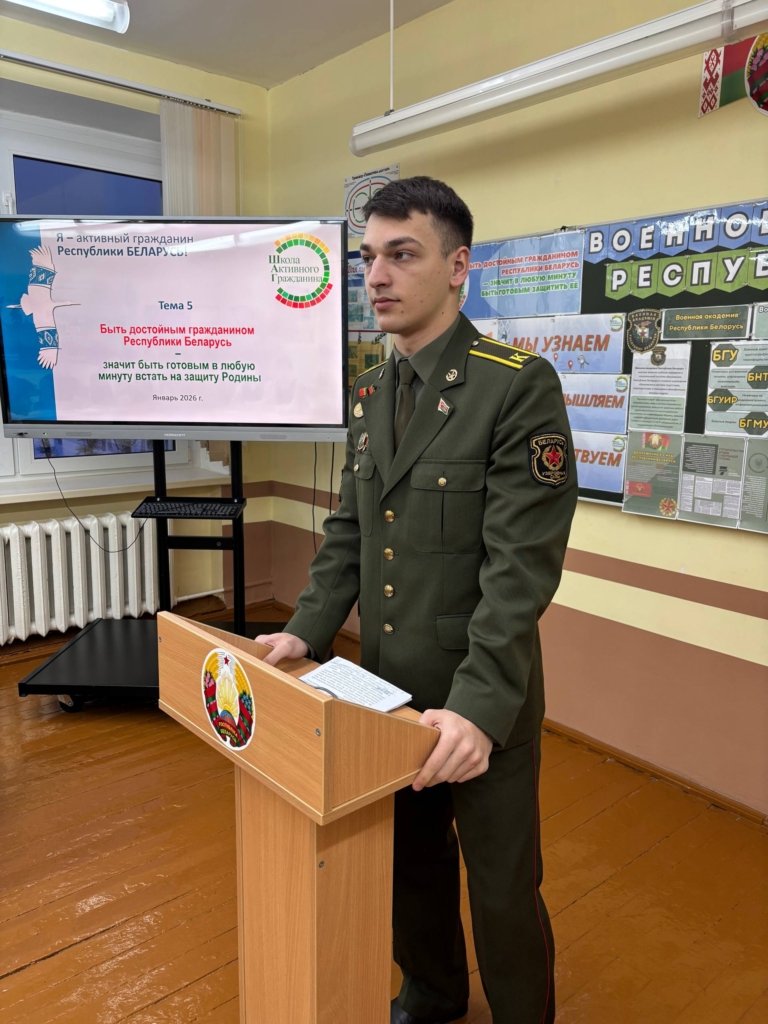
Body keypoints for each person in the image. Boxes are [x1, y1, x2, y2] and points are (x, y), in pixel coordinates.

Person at [257, 176, 577, 1024]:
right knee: (410, 865)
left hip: (483, 696)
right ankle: (433, 995)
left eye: (402, 254)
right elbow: (350, 533)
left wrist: (476, 709)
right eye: (369, 257)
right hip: (387, 690)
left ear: (458, 266)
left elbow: (520, 569)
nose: (377, 276)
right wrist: (303, 633)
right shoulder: (372, 392)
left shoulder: (516, 386)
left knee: (503, 887)